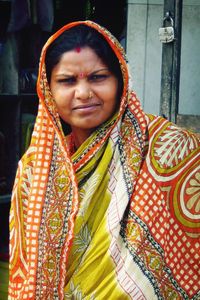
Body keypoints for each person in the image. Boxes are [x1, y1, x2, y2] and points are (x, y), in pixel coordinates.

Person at [8, 20, 200, 300]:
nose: (84, 93)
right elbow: (26, 269)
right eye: (67, 81)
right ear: (48, 90)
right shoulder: (35, 170)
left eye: (98, 77)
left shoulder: (170, 150)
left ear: (121, 79)